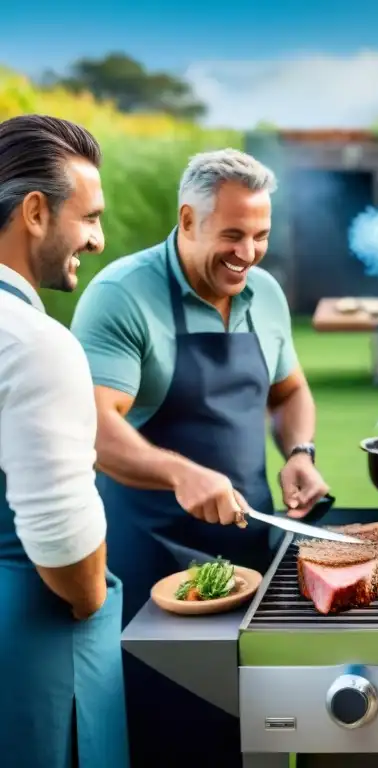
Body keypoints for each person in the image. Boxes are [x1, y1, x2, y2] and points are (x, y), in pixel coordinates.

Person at [70, 148, 328, 767]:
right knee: (165, 728)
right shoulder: (121, 295)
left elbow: (288, 391)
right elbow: (95, 429)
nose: (249, 253)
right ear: (188, 220)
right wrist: (180, 472)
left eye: (261, 235)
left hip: (250, 553)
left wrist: (299, 451)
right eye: (233, 235)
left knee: (257, 731)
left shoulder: (263, 293)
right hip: (149, 557)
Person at [0, 115, 128, 768]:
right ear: (34, 212)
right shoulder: (36, 344)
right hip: (32, 661)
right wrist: (91, 594)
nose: (98, 240)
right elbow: (68, 556)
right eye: (89, 218)